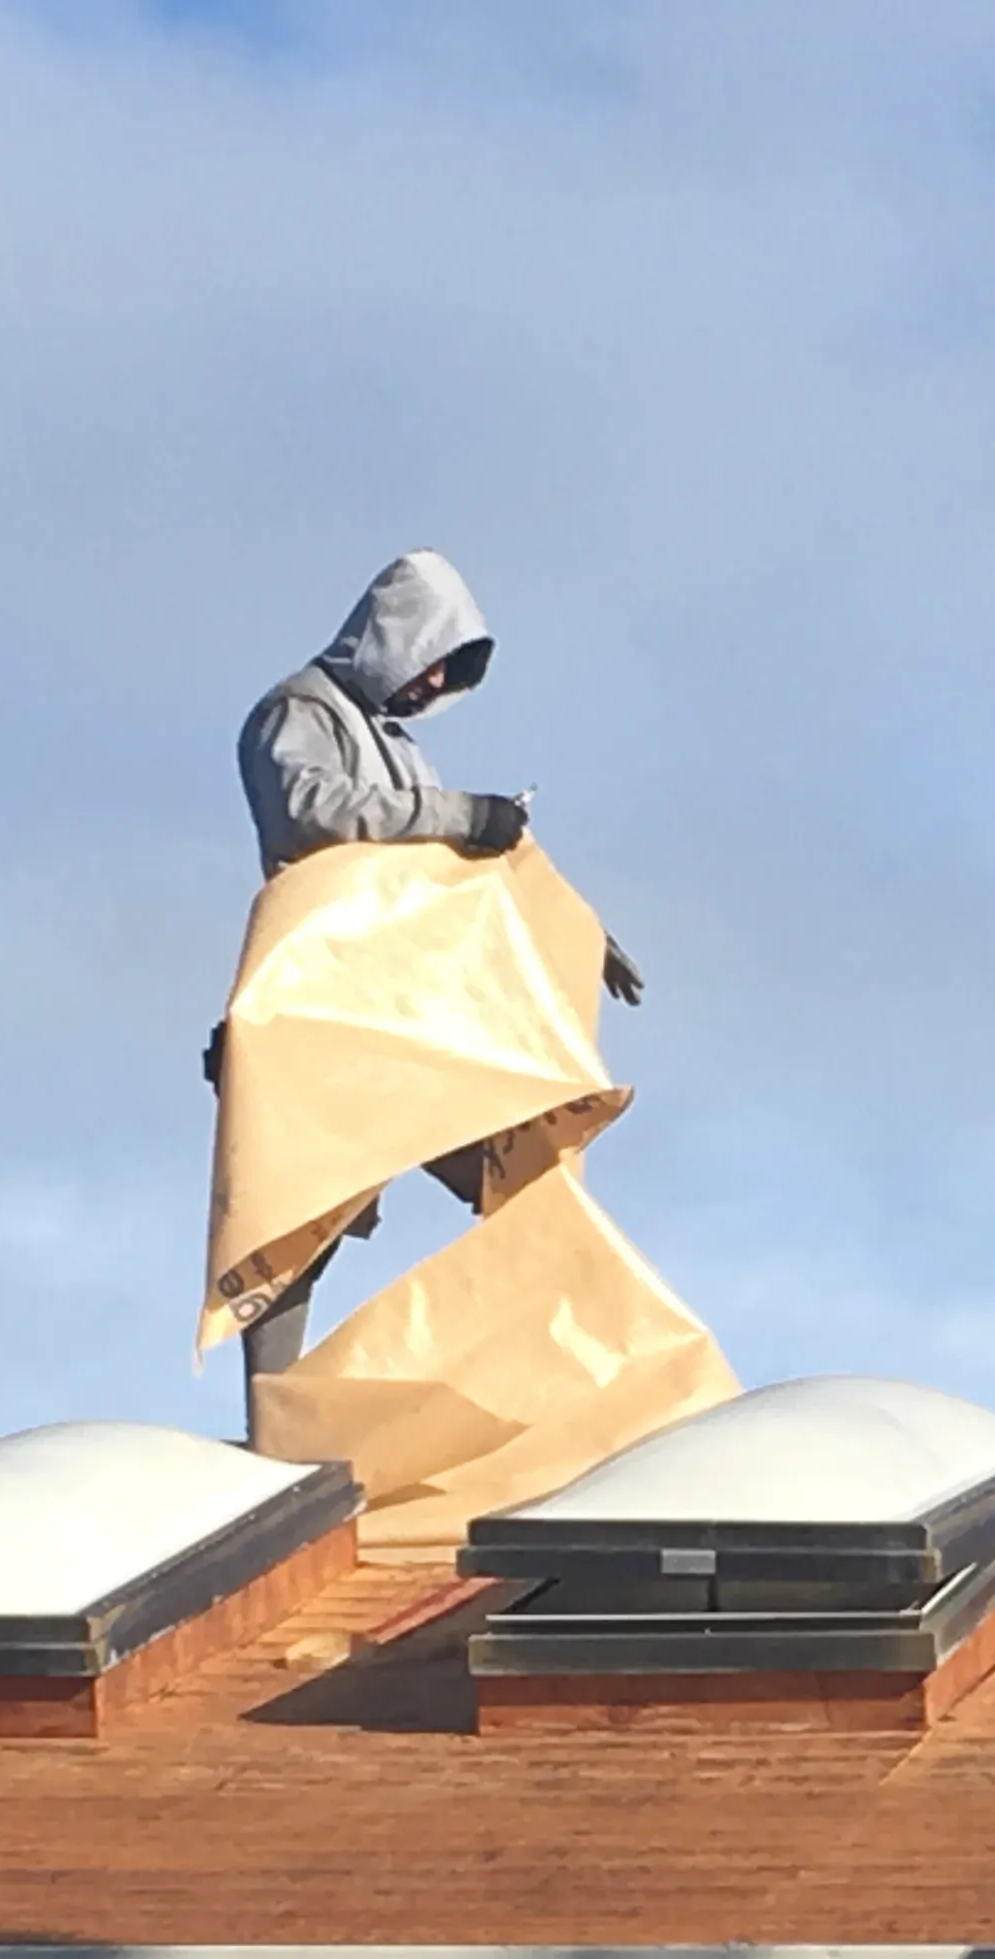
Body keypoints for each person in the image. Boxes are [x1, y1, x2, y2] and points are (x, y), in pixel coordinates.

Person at [220, 550, 643, 1407]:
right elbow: (309, 812)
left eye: (452, 668)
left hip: (417, 1014)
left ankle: (553, 1388)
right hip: (328, 1016)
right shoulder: (297, 713)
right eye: (434, 657)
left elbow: (456, 875)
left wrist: (574, 930)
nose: (437, 681)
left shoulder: (403, 754)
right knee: (297, 1218)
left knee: (520, 1176)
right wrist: (463, 815)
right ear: (396, 635)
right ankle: (275, 1415)